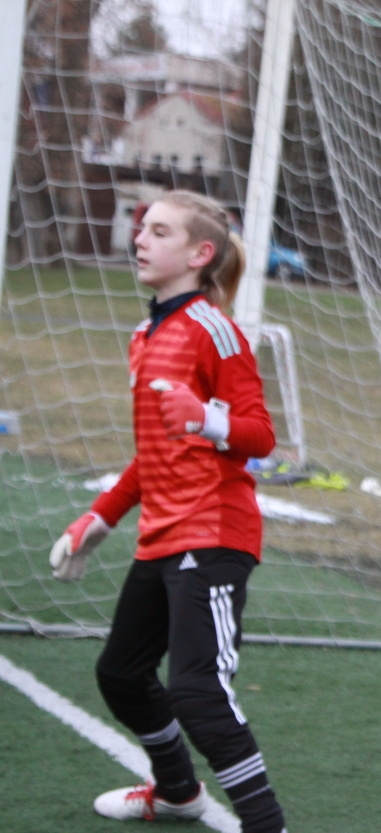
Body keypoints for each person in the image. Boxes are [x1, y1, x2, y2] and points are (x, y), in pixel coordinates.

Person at [48, 190, 288, 833]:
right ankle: (178, 793)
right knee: (122, 674)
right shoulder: (144, 335)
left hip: (213, 534)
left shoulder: (216, 330)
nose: (140, 239)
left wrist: (206, 417)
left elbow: (261, 436)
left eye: (159, 231)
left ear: (199, 253)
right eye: (142, 228)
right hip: (163, 535)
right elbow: (153, 454)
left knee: (197, 692)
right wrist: (98, 520)